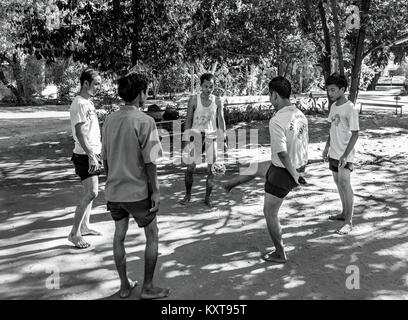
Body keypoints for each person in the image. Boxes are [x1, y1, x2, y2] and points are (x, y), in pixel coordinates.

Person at [101, 72, 170, 300]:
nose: (147, 94)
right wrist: (156, 191)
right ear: (141, 94)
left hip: (115, 191)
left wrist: (110, 185)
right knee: (152, 235)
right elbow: (151, 163)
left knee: (119, 235)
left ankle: (123, 287)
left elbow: (106, 161)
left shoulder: (109, 120)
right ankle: (147, 287)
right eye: (146, 90)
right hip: (137, 191)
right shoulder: (145, 121)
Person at [262, 76, 308, 263]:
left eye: (270, 95)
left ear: (275, 95)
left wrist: (294, 175)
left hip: (285, 172)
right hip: (299, 166)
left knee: (269, 212)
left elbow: (281, 153)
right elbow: (302, 144)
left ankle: (280, 253)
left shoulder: (277, 120)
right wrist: (299, 170)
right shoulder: (300, 114)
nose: (269, 99)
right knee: (261, 171)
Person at [179, 73, 226, 207]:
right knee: (190, 168)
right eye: (206, 86)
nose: (208, 89)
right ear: (201, 86)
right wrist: (185, 139)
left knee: (212, 169)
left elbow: (221, 120)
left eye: (211, 86)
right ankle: (187, 195)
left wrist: (224, 138)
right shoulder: (194, 100)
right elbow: (188, 120)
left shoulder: (217, 101)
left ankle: (207, 198)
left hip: (211, 137)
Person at [68, 68, 103, 249]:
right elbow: (80, 133)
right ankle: (74, 233)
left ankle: (85, 226)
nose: (98, 87)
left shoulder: (87, 102)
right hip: (84, 155)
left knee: (90, 194)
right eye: (96, 83)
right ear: (86, 83)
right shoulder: (80, 103)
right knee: (91, 193)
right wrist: (91, 155)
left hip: (92, 152)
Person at [323, 73, 359, 235]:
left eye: (332, 90)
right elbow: (332, 129)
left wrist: (345, 155)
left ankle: (348, 221)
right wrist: (326, 148)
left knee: (345, 184)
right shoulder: (333, 107)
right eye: (328, 90)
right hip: (334, 152)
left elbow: (355, 133)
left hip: (346, 154)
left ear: (342, 89)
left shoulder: (350, 108)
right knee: (338, 183)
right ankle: (343, 213)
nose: (329, 93)